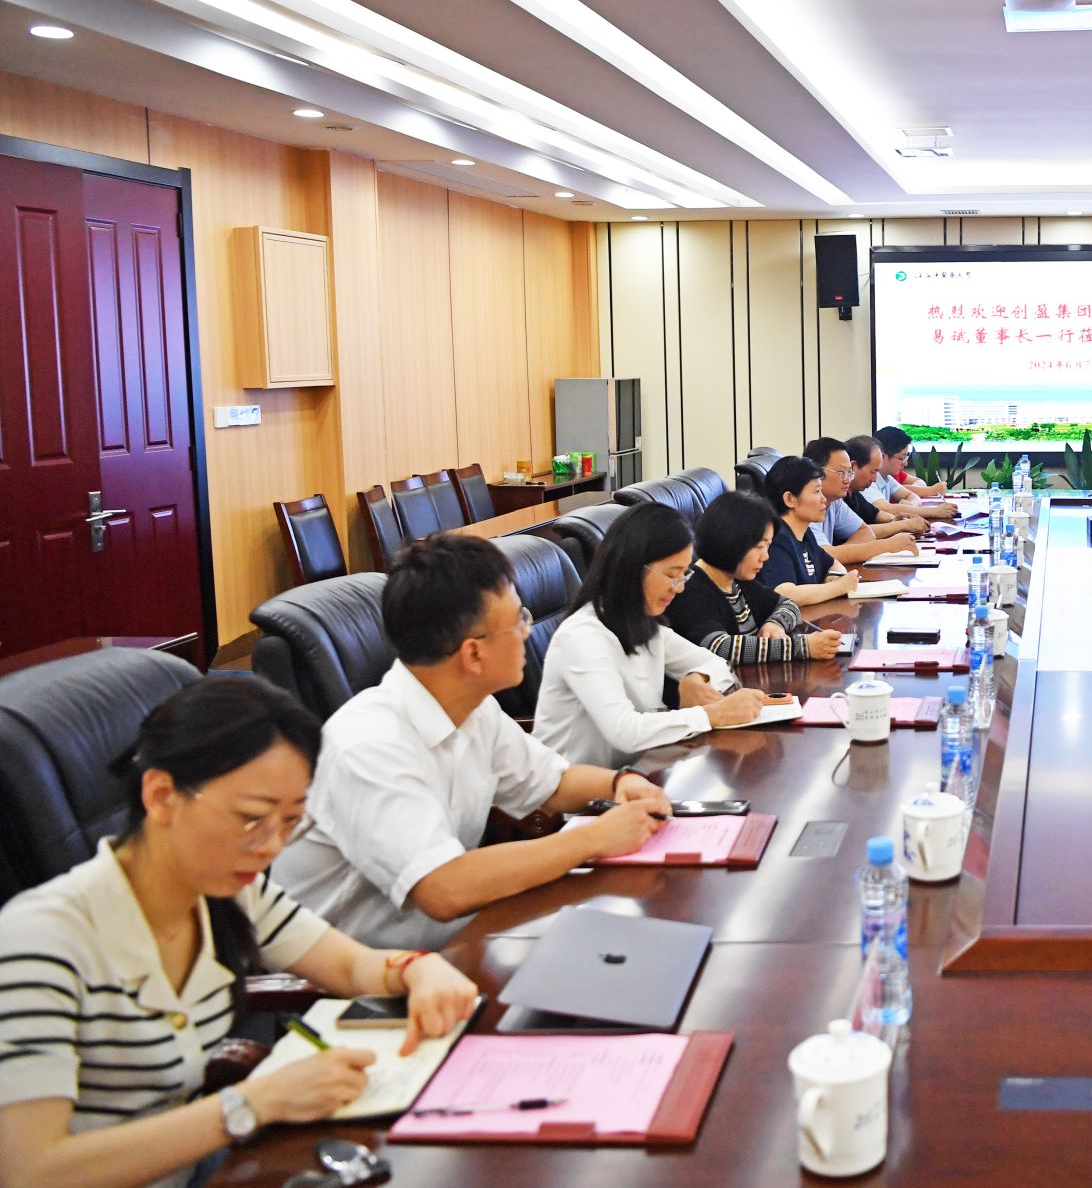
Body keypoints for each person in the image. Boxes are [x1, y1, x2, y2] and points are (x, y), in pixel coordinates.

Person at [0, 678, 478, 1188]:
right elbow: (31, 1170)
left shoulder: (227, 891)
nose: (271, 847)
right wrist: (252, 1102)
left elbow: (347, 964)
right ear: (161, 796)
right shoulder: (42, 940)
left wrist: (418, 968)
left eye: (290, 821)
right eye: (251, 819)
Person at [271, 535, 672, 950]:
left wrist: (619, 783)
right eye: (518, 621)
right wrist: (593, 838)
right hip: (352, 971)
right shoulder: (369, 745)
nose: (528, 631)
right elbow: (443, 889)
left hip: (450, 945)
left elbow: (553, 782)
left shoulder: (476, 710)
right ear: (473, 654)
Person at [532, 503, 780, 768]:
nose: (680, 588)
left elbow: (717, 663)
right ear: (633, 568)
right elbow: (625, 732)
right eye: (672, 575)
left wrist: (696, 678)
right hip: (574, 787)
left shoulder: (644, 625)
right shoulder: (583, 636)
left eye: (683, 575)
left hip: (638, 772)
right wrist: (710, 715)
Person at [674, 493, 844, 664]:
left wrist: (775, 624)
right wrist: (801, 647)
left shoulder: (737, 580)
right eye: (759, 547)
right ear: (731, 540)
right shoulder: (690, 588)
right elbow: (719, 647)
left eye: (768, 546)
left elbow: (788, 604)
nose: (765, 556)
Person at [758, 456, 863, 606]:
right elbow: (785, 594)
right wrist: (838, 586)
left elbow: (833, 564)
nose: (823, 499)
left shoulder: (806, 534)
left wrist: (832, 576)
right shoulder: (776, 539)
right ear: (790, 499)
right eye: (817, 491)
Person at [801, 437, 920, 565]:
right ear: (816, 472)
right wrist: (887, 546)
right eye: (841, 473)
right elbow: (823, 556)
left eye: (849, 473)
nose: (848, 479)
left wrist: (841, 553)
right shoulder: (803, 505)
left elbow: (865, 533)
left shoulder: (835, 501)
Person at [843, 435, 927, 540]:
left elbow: (875, 514)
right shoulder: (839, 496)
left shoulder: (854, 493)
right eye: (872, 472)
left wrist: (896, 519)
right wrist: (903, 525)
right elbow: (858, 531)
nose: (874, 479)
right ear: (853, 466)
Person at [864, 428, 958, 521]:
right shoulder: (867, 480)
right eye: (901, 458)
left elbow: (912, 495)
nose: (905, 464)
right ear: (882, 456)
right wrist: (935, 511)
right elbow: (886, 508)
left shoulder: (887, 477)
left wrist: (911, 504)